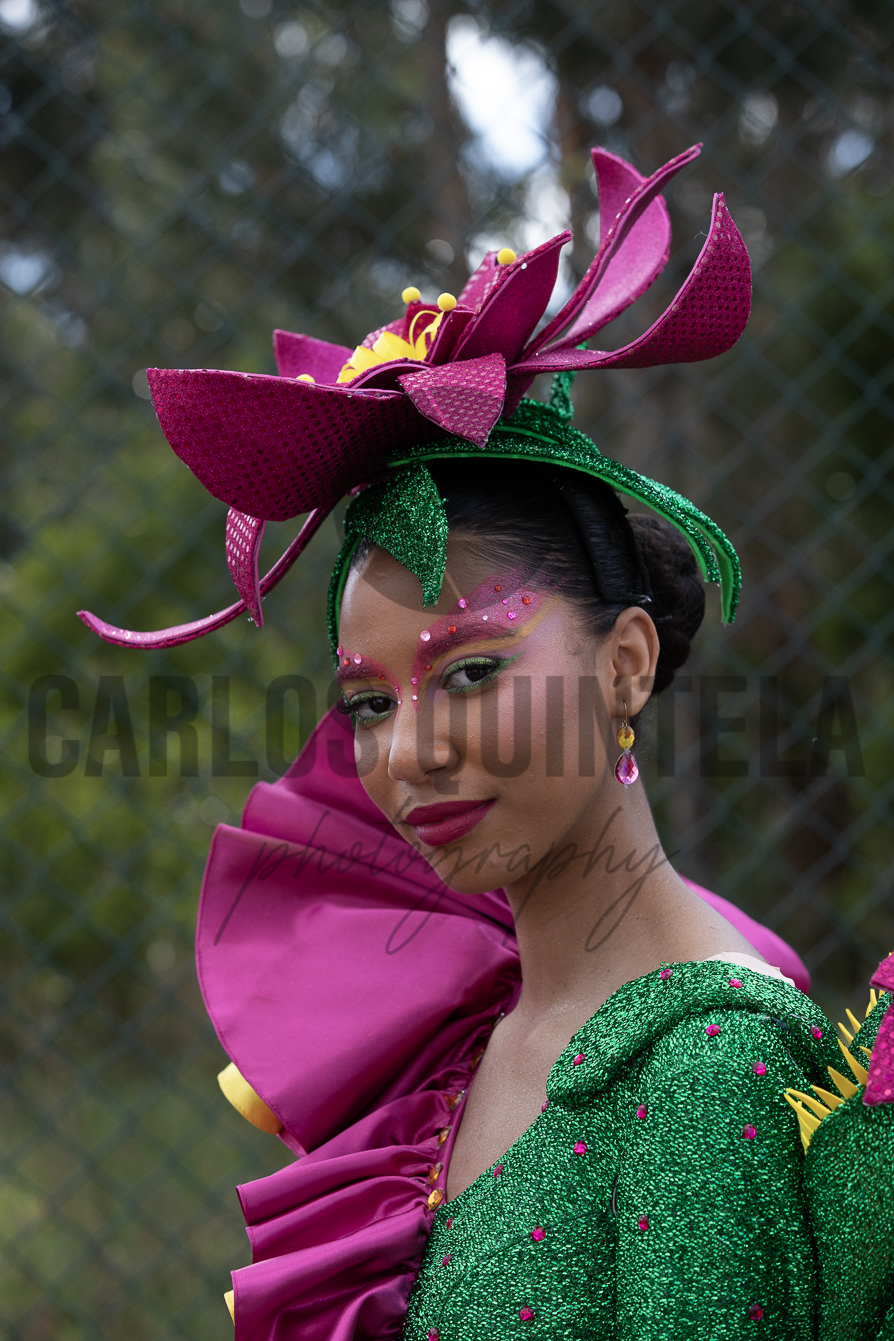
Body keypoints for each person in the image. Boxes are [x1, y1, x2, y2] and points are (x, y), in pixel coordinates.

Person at [80, 144, 894, 1340]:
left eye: (470, 672)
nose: (407, 754)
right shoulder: (465, 1039)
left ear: (625, 665)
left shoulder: (705, 1068)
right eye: (369, 704)